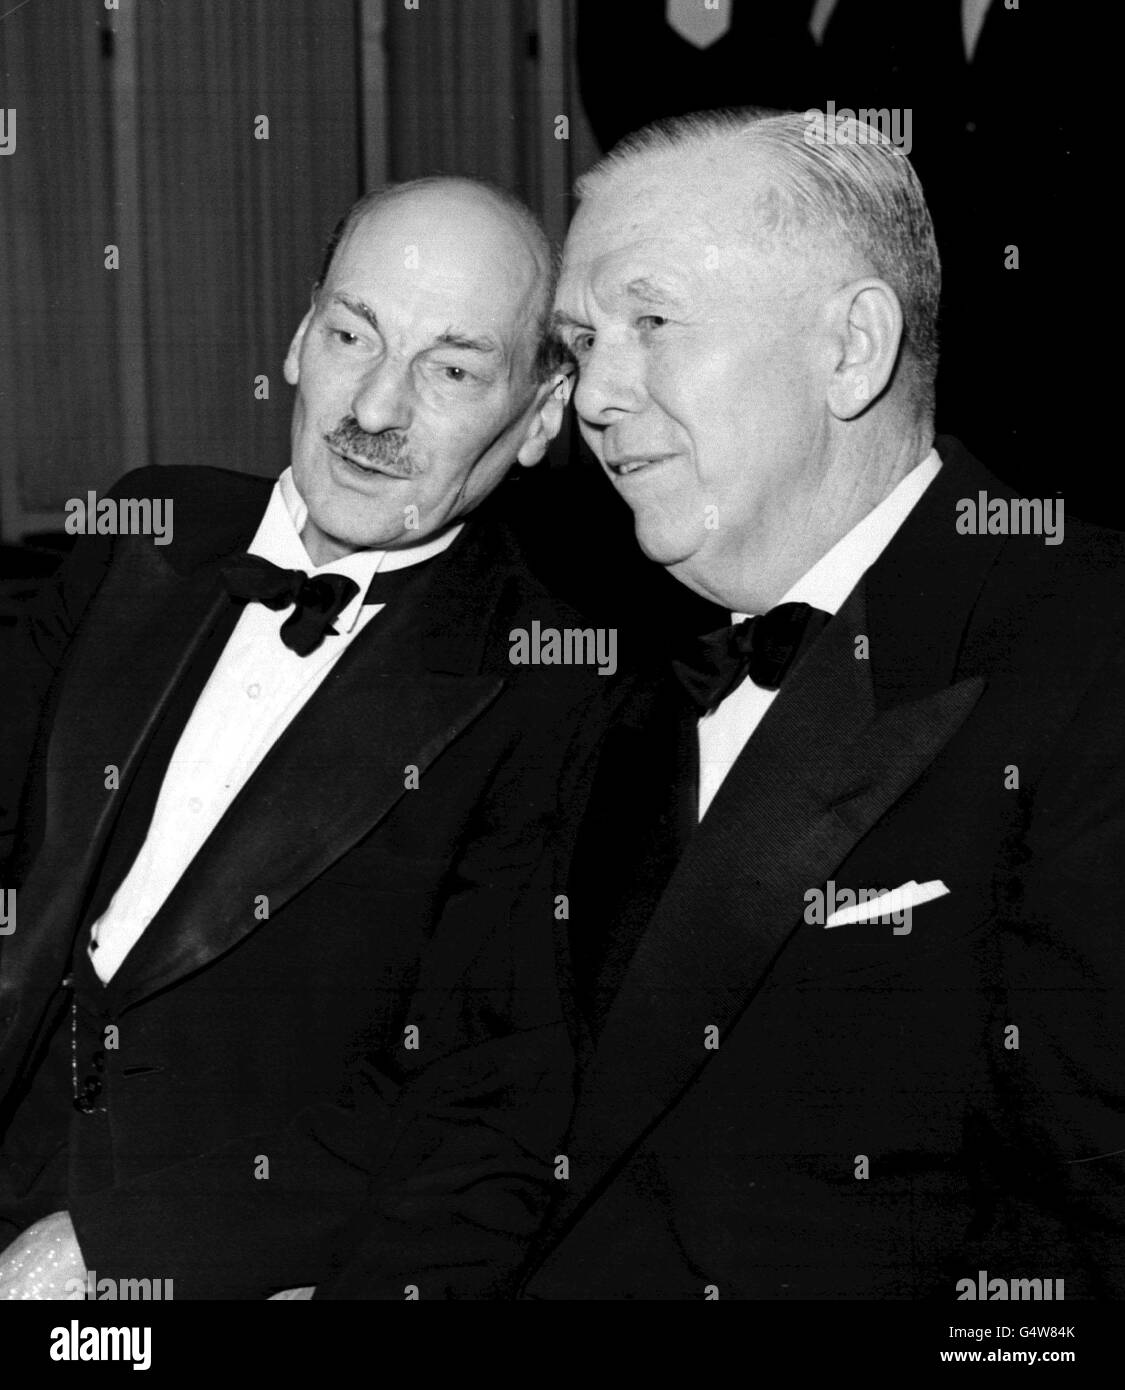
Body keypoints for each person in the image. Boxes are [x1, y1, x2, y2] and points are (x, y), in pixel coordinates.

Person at [514, 110, 1125, 1299]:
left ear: (851, 348)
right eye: (584, 342)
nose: (596, 395)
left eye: (652, 322)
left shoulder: (1089, 647)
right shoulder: (610, 679)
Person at [0, 175, 602, 1299]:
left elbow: (470, 1089)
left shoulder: (555, 691)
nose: (374, 410)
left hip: (199, 1253)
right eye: (350, 335)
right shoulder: (145, 527)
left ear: (542, 415)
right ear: (297, 335)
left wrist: (115, 1249)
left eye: (455, 370)